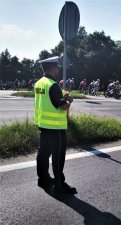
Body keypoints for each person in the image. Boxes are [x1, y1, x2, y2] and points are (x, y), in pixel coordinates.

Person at [34, 55, 77, 194]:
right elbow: (63, 106)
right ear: (53, 68)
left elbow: (49, 101)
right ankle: (60, 186)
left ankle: (43, 180)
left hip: (43, 125)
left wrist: (61, 97)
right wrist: (69, 101)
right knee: (58, 157)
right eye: (57, 67)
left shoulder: (39, 83)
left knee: (43, 153)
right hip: (56, 128)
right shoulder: (53, 85)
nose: (58, 69)